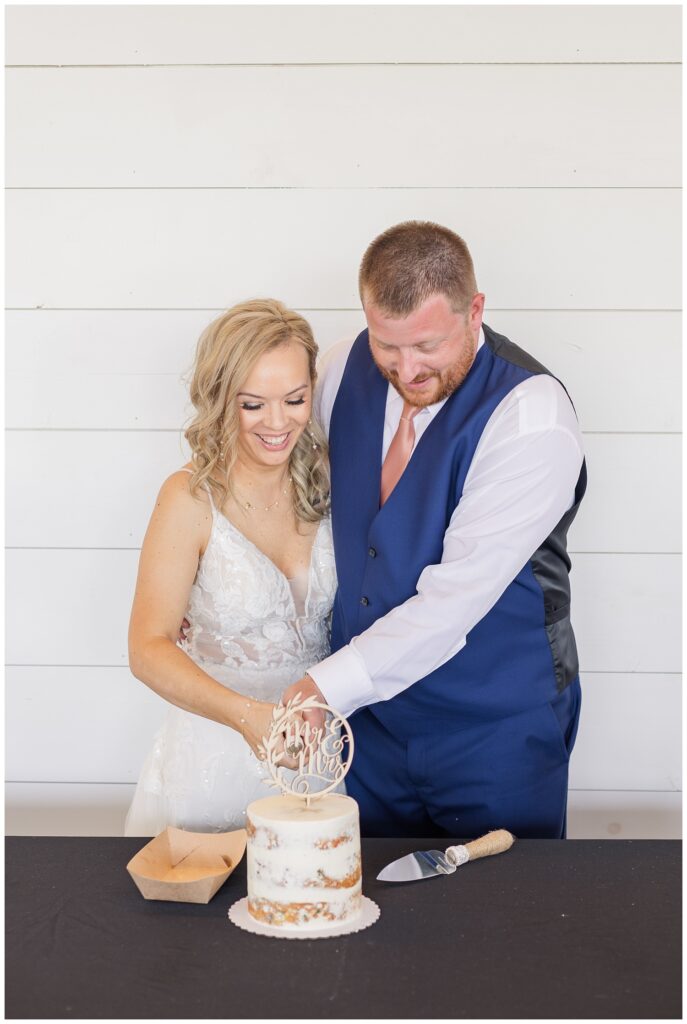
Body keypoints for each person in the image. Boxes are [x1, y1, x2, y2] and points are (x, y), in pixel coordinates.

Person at [282, 221, 587, 840]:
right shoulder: (341, 367)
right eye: (386, 345)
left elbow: (454, 603)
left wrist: (321, 689)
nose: (405, 368)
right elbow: (286, 490)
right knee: (365, 911)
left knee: (506, 917)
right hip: (366, 725)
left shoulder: (530, 414)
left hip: (495, 728)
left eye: (427, 345)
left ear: (475, 311)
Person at [124, 299, 336, 836]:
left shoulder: (331, 481)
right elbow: (148, 649)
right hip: (213, 756)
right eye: (252, 405)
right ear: (221, 400)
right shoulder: (189, 498)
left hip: (320, 755)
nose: (277, 422)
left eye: (294, 399)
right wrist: (246, 717)